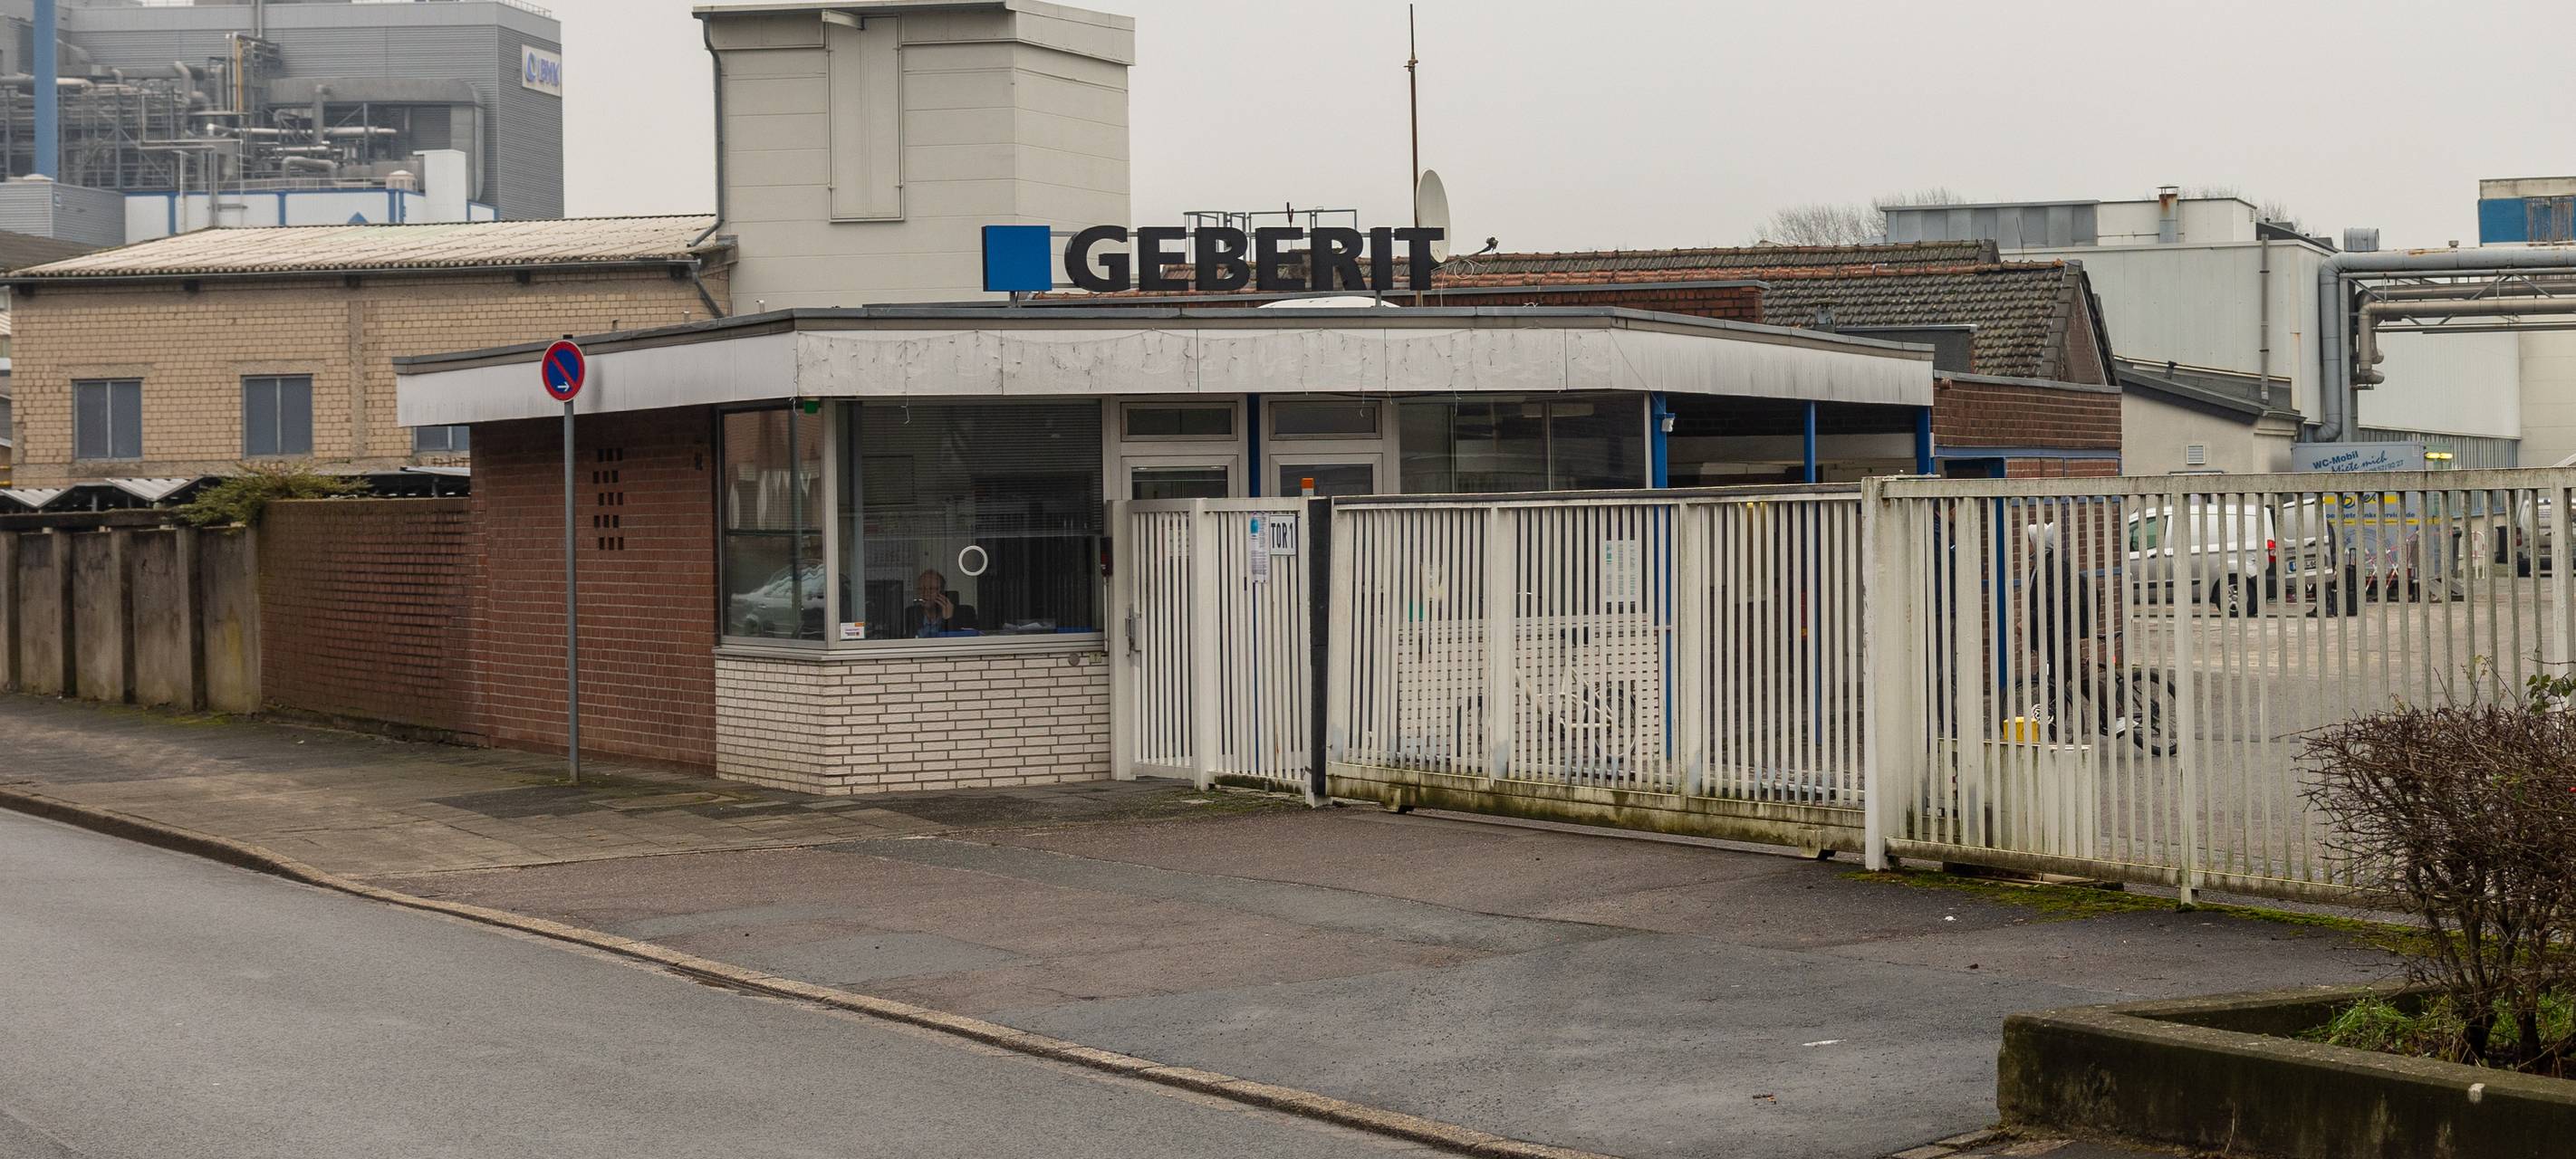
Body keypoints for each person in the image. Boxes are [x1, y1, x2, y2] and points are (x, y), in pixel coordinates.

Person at [906, 569, 975, 637]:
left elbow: (959, 641)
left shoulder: (964, 613)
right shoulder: (911, 613)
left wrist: (948, 620)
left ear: (942, 592)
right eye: (921, 589)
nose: (925, 593)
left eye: (931, 589)